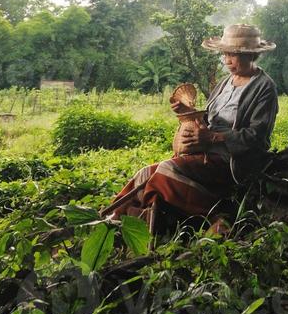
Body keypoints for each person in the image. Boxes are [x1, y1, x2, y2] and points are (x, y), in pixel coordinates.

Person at [104, 23, 278, 230]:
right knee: (145, 173)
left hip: (231, 162)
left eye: (234, 55)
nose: (227, 60)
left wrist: (213, 138)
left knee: (166, 171)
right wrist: (187, 113)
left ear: (251, 55)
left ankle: (216, 217)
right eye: (225, 54)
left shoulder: (264, 87)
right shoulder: (225, 83)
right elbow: (210, 120)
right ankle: (115, 218)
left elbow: (257, 138)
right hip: (204, 153)